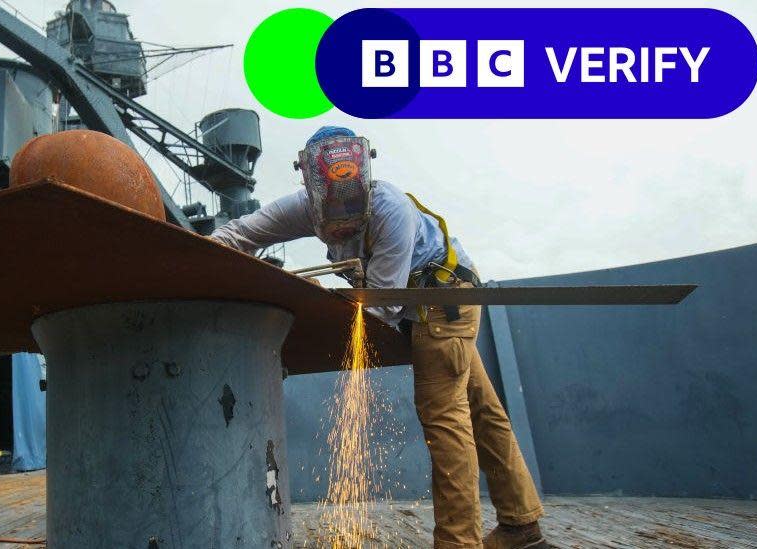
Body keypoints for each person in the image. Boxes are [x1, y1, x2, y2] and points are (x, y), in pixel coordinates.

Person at [210, 126, 551, 549]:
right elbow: (240, 233)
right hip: (411, 304)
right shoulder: (302, 206)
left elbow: (379, 310)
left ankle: (459, 542)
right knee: (482, 409)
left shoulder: (391, 211)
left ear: (365, 177)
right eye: (333, 219)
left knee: (444, 414)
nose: (341, 228)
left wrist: (315, 325)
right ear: (309, 184)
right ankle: (521, 525)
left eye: (351, 215)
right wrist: (194, 256)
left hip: (441, 298)